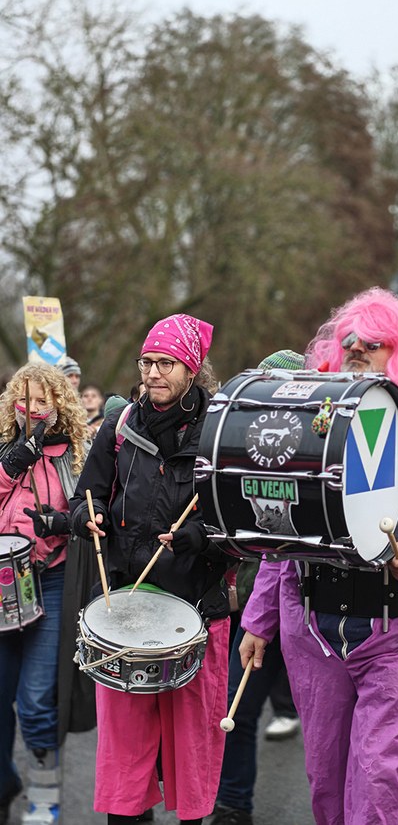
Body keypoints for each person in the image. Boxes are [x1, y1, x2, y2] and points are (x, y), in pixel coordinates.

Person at [238, 288, 398, 824]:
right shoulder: (310, 427)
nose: (356, 348)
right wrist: (259, 622)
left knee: (380, 773)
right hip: (313, 628)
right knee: (327, 778)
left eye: (373, 342)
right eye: (348, 340)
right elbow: (282, 533)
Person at [70, 314, 232, 825]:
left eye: (166, 363)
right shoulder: (120, 428)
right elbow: (86, 496)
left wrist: (202, 537)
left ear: (192, 369)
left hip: (197, 608)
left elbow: (244, 528)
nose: (153, 372)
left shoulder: (220, 433)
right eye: (147, 362)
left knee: (192, 755)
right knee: (126, 763)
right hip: (126, 605)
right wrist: (86, 518)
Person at [207, 349, 304, 825]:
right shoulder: (240, 450)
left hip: (313, 607)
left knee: (338, 721)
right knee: (237, 711)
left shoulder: (316, 454)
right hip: (256, 604)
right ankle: (232, 805)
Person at [0, 363, 90, 825]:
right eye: (25, 400)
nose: (32, 409)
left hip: (50, 582)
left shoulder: (74, 454)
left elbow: (95, 513)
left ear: (58, 406)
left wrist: (64, 522)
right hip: (1, 585)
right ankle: (3, 784)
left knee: (36, 700)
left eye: (42, 401)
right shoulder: (3, 451)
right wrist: (11, 463)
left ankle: (44, 796)